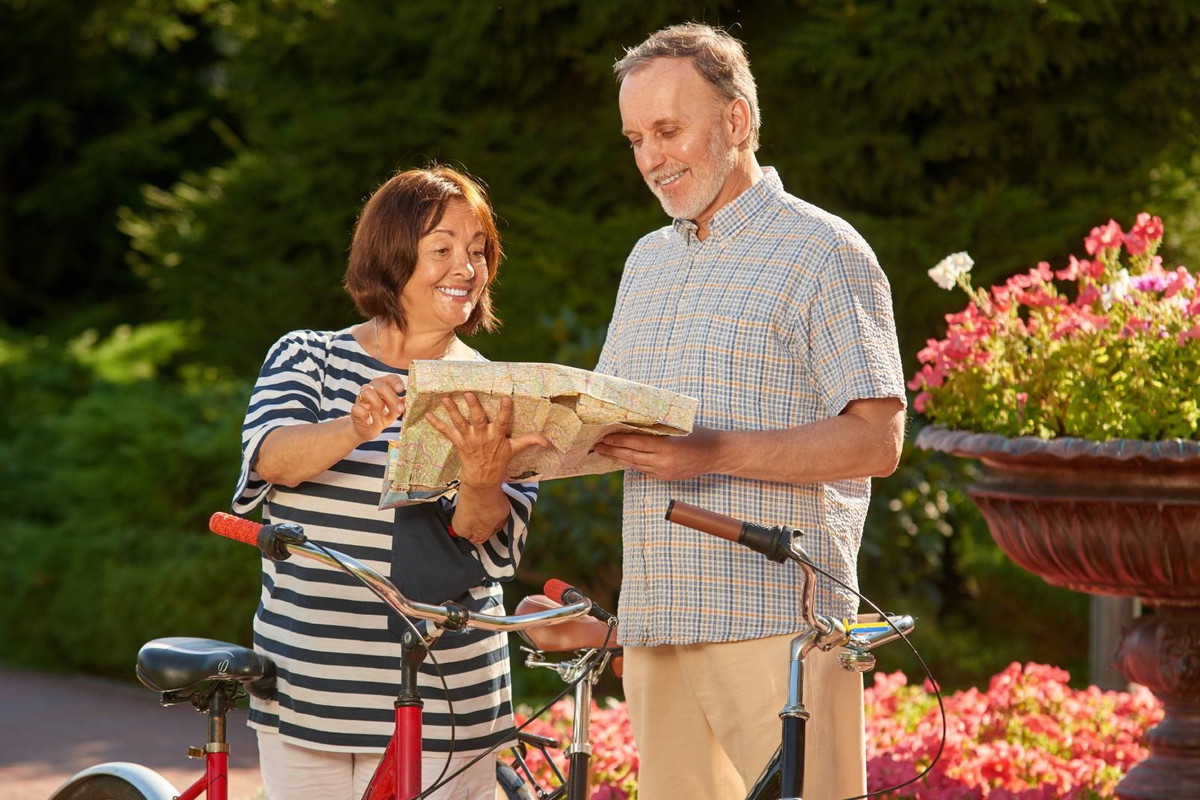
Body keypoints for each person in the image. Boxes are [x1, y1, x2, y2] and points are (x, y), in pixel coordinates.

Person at [593, 23, 907, 800]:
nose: (651, 158)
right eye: (635, 139)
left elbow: (877, 441)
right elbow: (604, 425)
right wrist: (506, 435)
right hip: (656, 624)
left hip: (778, 624)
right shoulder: (645, 261)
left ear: (736, 120)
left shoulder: (824, 250)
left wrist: (713, 452)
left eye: (668, 130)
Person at [231, 165, 547, 800]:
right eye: (443, 249)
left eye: (478, 251)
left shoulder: (500, 392)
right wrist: (354, 426)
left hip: (445, 704)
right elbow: (272, 460)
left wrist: (483, 478)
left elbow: (482, 540)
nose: (468, 268)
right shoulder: (308, 356)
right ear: (392, 255)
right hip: (309, 688)